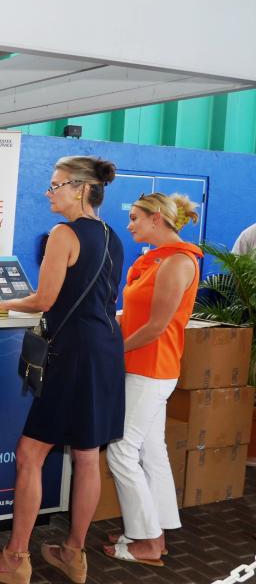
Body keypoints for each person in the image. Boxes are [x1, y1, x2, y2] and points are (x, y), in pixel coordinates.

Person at [0, 156, 125, 584]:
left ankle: (15, 558)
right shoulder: (112, 235)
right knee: (89, 456)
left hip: (71, 355)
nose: (48, 192)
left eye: (55, 185)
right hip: (105, 352)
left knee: (28, 456)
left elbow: (43, 300)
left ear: (79, 188)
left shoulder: (64, 234)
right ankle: (74, 554)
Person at [103, 193, 201, 566]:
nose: (129, 225)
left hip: (151, 369)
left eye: (135, 218)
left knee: (122, 451)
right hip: (145, 367)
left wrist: (115, 351)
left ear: (156, 217)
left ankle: (146, 541)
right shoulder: (155, 259)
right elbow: (139, 309)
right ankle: (155, 527)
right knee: (151, 450)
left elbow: (158, 326)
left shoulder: (177, 262)